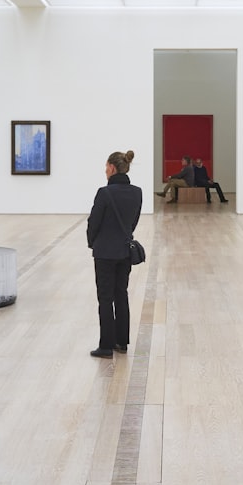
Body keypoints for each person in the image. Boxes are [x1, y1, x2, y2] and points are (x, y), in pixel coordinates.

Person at [87, 150, 143, 358]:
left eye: (105, 167)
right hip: (124, 251)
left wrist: (93, 242)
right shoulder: (137, 192)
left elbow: (94, 222)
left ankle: (106, 346)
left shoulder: (104, 193)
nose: (104, 171)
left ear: (111, 167)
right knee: (121, 295)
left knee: (105, 298)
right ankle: (121, 342)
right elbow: (132, 222)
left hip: (104, 252)